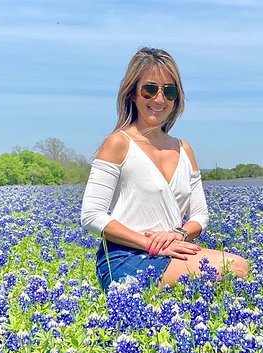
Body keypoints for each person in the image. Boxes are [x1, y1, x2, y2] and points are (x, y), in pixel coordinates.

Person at [80, 47, 249, 291]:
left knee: (238, 265)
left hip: (171, 251)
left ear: (176, 99)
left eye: (169, 92)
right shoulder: (118, 143)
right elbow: (91, 216)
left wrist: (178, 234)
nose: (159, 99)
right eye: (149, 89)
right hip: (125, 256)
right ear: (133, 93)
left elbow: (200, 216)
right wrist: (150, 243)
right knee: (231, 269)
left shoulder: (184, 149)